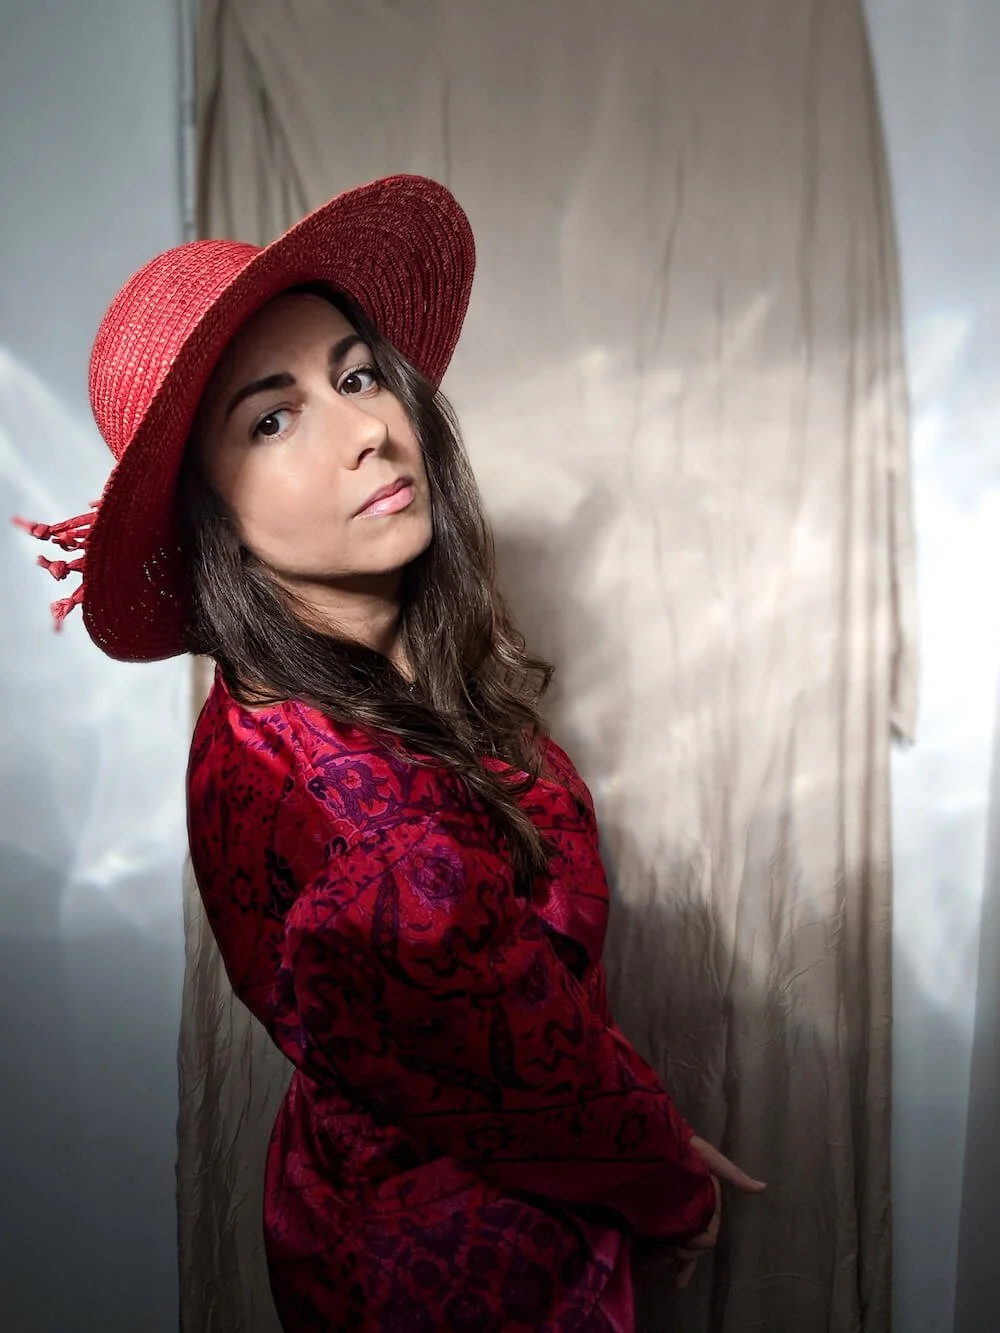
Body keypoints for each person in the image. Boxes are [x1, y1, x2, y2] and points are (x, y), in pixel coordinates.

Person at [17, 176, 764, 1331]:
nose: (369, 428)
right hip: (466, 1276)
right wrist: (660, 1180)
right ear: (205, 515)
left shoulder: (325, 687)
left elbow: (503, 1044)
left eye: (356, 375)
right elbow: (502, 1048)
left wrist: (626, 1144)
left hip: (436, 1204)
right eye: (272, 418)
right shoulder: (364, 828)